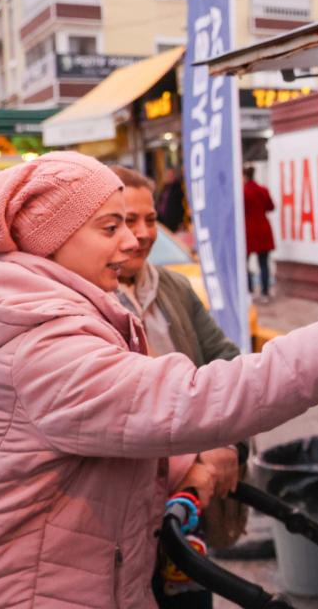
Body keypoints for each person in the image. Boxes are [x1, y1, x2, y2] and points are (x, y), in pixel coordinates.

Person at [0, 151, 318, 607]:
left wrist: (188, 466)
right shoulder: (43, 343)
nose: (132, 243)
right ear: (51, 240)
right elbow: (191, 401)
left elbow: (107, 425)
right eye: (108, 227)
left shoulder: (41, 312)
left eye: (135, 224)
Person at [109, 166, 249, 609]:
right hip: (124, 516)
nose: (144, 233)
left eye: (151, 219)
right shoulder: (85, 299)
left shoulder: (173, 285)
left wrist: (226, 441)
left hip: (190, 509)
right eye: (128, 221)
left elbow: (228, 365)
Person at [242, 166, 276, 301]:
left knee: (244, 262)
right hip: (263, 229)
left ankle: (249, 290)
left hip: (248, 231)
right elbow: (271, 207)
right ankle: (265, 292)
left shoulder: (242, 192)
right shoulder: (263, 190)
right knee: (264, 263)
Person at [157, 167, 187, 232]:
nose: (168, 177)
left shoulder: (178, 189)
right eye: (167, 175)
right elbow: (160, 203)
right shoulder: (164, 188)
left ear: (174, 176)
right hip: (163, 221)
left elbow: (181, 206)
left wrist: (180, 222)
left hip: (174, 222)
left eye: (170, 175)